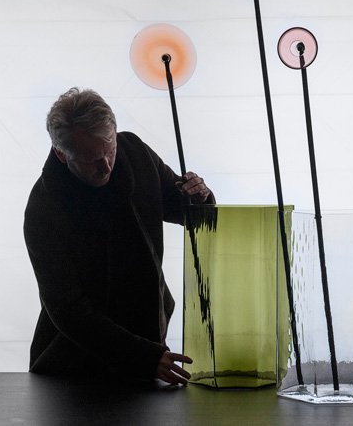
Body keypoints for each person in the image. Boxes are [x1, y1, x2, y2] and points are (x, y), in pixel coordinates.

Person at [24, 87, 213, 384]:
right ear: (61, 154)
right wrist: (142, 356)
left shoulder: (134, 152)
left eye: (110, 150)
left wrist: (200, 197)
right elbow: (68, 310)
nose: (106, 166)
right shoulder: (44, 208)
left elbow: (185, 211)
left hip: (146, 347)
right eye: (91, 159)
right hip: (72, 368)